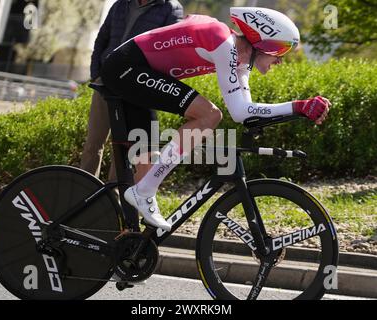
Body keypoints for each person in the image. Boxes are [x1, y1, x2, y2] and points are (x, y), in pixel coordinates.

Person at [100, 7, 331, 231]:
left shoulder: (241, 62)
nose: (281, 60)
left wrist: (298, 111)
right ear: (262, 42)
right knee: (209, 115)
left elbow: (244, 112)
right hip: (126, 68)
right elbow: (239, 111)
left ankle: (130, 243)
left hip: (139, 72)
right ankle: (143, 193)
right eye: (280, 51)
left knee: (148, 162)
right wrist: (298, 106)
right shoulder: (223, 43)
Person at [81, 0, 184, 182]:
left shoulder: (171, 8)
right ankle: (84, 195)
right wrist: (96, 74)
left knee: (122, 148)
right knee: (93, 144)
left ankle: (114, 202)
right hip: (105, 82)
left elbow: (172, 52)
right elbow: (102, 38)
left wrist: (145, 83)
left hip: (134, 85)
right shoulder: (121, 4)